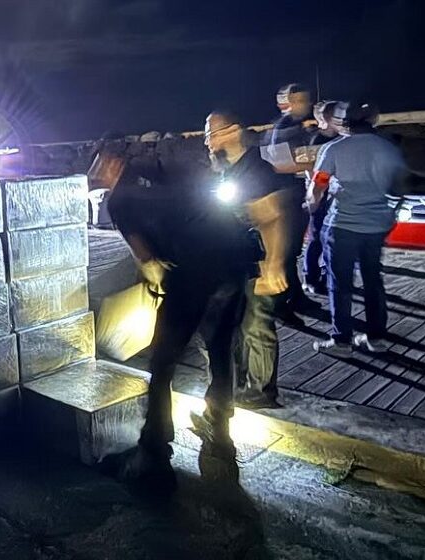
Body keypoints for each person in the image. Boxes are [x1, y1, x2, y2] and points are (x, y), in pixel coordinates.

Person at [101, 154, 256, 490]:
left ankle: (153, 450)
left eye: (100, 167)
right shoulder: (173, 172)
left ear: (113, 165)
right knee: (219, 348)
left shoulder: (120, 199)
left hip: (192, 273)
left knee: (163, 363)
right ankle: (220, 426)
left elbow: (147, 260)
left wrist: (153, 284)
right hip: (234, 264)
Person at [309, 102, 407, 356]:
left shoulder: (333, 149)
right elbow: (399, 186)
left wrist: (311, 204)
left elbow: (318, 185)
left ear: (344, 123)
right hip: (376, 225)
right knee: (374, 281)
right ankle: (376, 338)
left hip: (342, 225)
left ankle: (342, 340)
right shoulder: (388, 148)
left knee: (339, 284)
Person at [206, 111, 286, 409]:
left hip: (257, 261)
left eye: (211, 134)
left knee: (256, 325)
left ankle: (262, 391)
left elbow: (272, 216)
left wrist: (274, 264)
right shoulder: (230, 169)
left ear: (234, 132)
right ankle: (240, 385)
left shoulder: (255, 171)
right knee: (238, 325)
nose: (207, 142)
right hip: (235, 261)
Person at [264, 83, 317, 323]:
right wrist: (315, 164)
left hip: (292, 196)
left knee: (291, 252)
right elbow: (277, 164)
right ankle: (279, 305)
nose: (307, 104)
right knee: (283, 253)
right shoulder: (284, 128)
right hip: (284, 197)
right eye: (301, 100)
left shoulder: (294, 126)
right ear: (288, 103)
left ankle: (295, 296)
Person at [303, 100, 342, 296]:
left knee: (331, 239)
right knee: (317, 238)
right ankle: (310, 277)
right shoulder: (317, 141)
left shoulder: (340, 138)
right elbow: (311, 172)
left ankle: (329, 277)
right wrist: (314, 198)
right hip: (320, 195)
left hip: (335, 195)